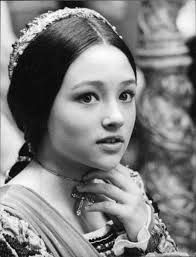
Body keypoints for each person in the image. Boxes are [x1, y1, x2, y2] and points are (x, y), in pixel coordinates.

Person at [0, 7, 184, 257]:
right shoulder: (10, 224)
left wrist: (146, 231)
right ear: (39, 105)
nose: (116, 117)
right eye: (87, 97)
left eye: (125, 95)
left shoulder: (126, 189)